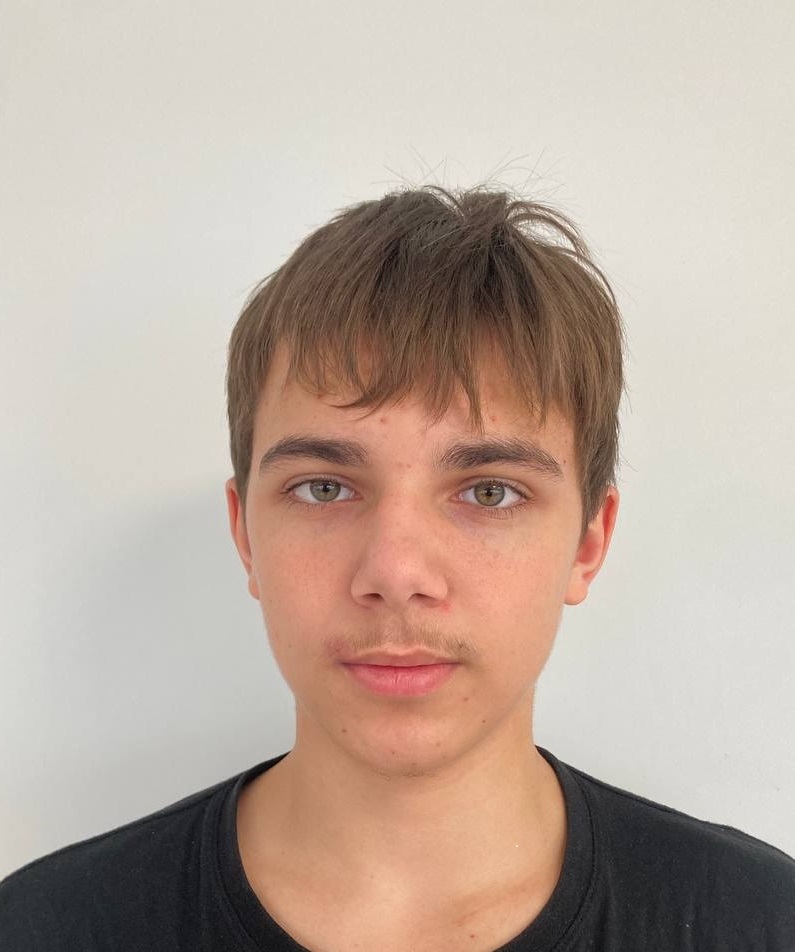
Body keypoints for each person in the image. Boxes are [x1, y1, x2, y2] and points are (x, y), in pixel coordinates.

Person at [1, 186, 793, 951]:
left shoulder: (759, 924)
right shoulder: (43, 929)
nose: (396, 571)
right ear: (245, 535)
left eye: (489, 492)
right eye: (323, 488)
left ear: (588, 543)